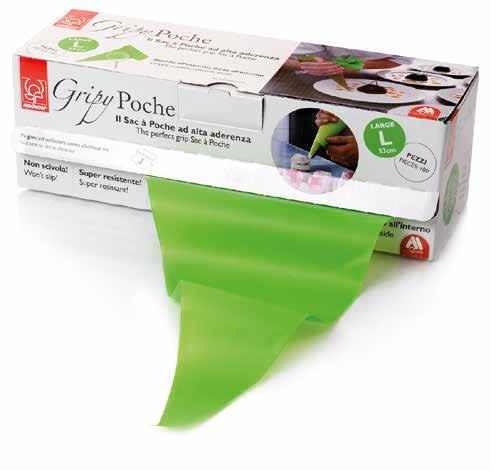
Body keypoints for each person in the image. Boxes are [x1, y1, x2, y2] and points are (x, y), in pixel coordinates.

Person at [284, 43, 412, 77]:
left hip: (361, 76)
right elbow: (278, 57)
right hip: (306, 75)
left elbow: (400, 58)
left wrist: (358, 65)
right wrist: (301, 64)